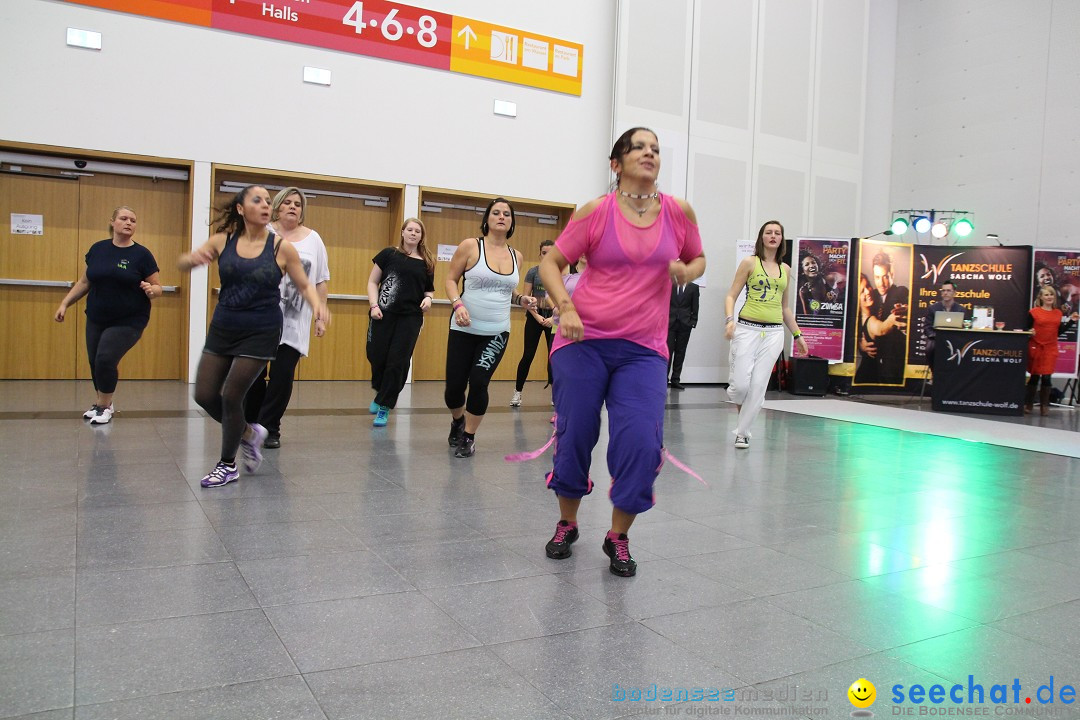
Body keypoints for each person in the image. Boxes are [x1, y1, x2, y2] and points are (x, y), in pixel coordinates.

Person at [537, 127, 705, 577]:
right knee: (575, 436)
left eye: (655, 149)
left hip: (644, 349)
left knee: (641, 441)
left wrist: (685, 270)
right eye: (639, 148)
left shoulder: (678, 212)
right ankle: (567, 523)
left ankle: (618, 536)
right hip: (581, 341)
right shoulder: (596, 212)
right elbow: (549, 264)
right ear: (617, 163)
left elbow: (698, 258)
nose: (650, 154)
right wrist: (565, 306)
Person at [179, 185, 328, 488]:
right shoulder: (223, 241)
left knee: (233, 395)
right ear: (240, 209)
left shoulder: (280, 247)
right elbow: (189, 262)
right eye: (256, 200)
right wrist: (188, 261)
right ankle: (250, 432)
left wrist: (318, 307)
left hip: (262, 328)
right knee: (205, 395)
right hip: (224, 325)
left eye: (265, 200)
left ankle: (227, 464)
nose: (263, 205)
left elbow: (305, 282)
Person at [444, 198, 537, 458]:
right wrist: (457, 304)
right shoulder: (470, 246)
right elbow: (451, 280)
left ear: (511, 222)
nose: (501, 217)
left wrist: (522, 299)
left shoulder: (516, 255)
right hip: (463, 328)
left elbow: (510, 291)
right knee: (453, 389)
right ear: (487, 219)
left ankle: (469, 436)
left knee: (479, 381)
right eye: (496, 212)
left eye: (506, 214)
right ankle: (457, 420)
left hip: (496, 331)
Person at [54, 206, 162, 424]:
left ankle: (105, 407)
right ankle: (103, 402)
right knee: (95, 361)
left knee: (105, 358)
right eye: (123, 218)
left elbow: (158, 286)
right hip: (96, 316)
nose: (129, 222)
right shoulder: (98, 249)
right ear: (113, 222)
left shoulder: (141, 254)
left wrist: (152, 291)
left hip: (129, 320)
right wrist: (65, 303)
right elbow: (85, 281)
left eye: (133, 219)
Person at [244, 187, 330, 448]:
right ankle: (249, 425)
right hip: (260, 316)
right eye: (288, 203)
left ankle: (270, 428)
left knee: (282, 376)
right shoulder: (261, 232)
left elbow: (321, 280)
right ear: (277, 206)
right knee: (254, 375)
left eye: (298, 204)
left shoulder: (314, 239)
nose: (294, 207)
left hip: (295, 320)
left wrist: (320, 315)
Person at [724, 221, 807, 449]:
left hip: (773, 333)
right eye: (768, 232)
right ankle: (741, 418)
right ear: (761, 237)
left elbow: (785, 308)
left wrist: (798, 335)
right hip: (747, 329)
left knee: (759, 385)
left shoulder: (785, 269)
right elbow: (731, 295)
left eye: (777, 233)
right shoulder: (750, 263)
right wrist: (730, 320)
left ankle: (743, 433)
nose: (773, 236)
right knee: (740, 386)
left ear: (781, 239)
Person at [367, 217, 435, 426]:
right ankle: (381, 392)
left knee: (398, 361)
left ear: (421, 237)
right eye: (410, 230)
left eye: (418, 231)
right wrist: (374, 305)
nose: (414, 233)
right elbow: (372, 281)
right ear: (403, 232)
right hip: (383, 313)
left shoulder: (426, 262)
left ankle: (384, 405)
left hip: (410, 318)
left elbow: (429, 289)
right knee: (376, 356)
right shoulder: (389, 254)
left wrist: (428, 299)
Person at [510, 240, 556, 408]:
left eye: (551, 252)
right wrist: (537, 317)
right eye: (544, 252)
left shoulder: (561, 273)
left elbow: (562, 298)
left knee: (554, 357)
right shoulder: (533, 272)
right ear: (540, 254)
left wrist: (553, 318)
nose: (547, 256)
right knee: (528, 355)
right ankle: (517, 392)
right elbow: (526, 298)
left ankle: (555, 393)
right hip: (534, 318)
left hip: (553, 319)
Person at [1025, 285, 1078, 415]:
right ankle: (1029, 404)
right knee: (1035, 376)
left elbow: (1058, 332)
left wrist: (1072, 321)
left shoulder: (1058, 313)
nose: (1049, 297)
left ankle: (1044, 406)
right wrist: (1029, 332)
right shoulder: (1033, 312)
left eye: (1051, 294)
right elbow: (1027, 329)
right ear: (1041, 297)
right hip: (1036, 347)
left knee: (1047, 377)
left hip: (1050, 348)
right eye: (1046, 295)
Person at [862, 250, 909, 384]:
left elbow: (906, 304)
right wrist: (860, 343)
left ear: (892, 273)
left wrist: (906, 309)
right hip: (872, 366)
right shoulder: (870, 296)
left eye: (885, 277)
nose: (881, 283)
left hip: (893, 363)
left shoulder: (901, 291)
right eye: (877, 277)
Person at [853, 273, 905, 384]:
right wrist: (894, 317)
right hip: (869, 375)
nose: (868, 292)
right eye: (862, 291)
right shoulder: (869, 319)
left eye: (868, 286)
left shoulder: (876, 303)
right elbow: (881, 329)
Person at [921, 279, 971, 362]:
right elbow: (927, 327)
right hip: (936, 339)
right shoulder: (933, 308)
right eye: (943, 291)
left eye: (948, 290)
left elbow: (966, 327)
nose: (945, 293)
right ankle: (934, 371)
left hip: (955, 339)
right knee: (930, 348)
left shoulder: (961, 310)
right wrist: (934, 336)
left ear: (954, 293)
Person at [667, 280, 699, 389]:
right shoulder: (670, 285)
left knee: (680, 351)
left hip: (685, 324)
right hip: (670, 323)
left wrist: (693, 321)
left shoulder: (694, 287)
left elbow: (695, 305)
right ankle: (664, 379)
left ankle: (676, 379)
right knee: (668, 351)